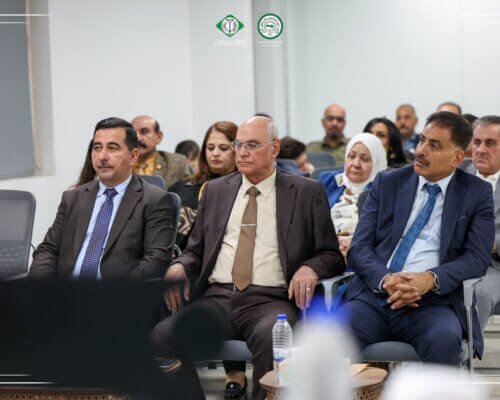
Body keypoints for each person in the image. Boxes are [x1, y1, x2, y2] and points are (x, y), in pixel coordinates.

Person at [152, 116, 345, 400]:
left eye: (252, 145)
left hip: (271, 300)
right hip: (218, 299)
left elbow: (330, 254)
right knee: (163, 337)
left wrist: (310, 267)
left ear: (274, 148)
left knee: (272, 338)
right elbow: (196, 249)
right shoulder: (217, 191)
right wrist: (180, 264)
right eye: (238, 145)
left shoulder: (305, 192)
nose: (241, 153)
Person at [341, 111, 495, 365]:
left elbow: (476, 258)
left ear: (457, 158)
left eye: (434, 145)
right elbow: (359, 248)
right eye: (422, 140)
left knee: (444, 340)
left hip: (432, 302)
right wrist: (387, 279)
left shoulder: (476, 193)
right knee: (334, 335)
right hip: (375, 296)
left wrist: (430, 279)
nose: (421, 150)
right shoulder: (388, 182)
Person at [29, 117, 176, 279]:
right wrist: (41, 287)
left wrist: (111, 290)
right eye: (97, 148)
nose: (102, 156)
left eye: (112, 148)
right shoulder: (73, 198)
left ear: (133, 156)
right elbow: (48, 249)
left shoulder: (155, 200)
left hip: (116, 290)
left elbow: (156, 261)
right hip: (66, 288)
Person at [319, 133, 387, 256]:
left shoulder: (384, 191)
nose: (356, 164)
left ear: (377, 163)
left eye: (365, 159)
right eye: (351, 156)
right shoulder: (329, 182)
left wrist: (354, 244)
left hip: (364, 254)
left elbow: (383, 237)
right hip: (326, 251)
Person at [468, 116, 500, 330]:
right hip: (452, 260)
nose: (480, 149)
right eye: (477, 142)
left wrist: (493, 243)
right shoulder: (456, 174)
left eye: (490, 143)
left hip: (494, 265)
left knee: (477, 293)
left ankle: (467, 348)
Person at [131, 115, 190, 187]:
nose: (138, 138)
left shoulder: (177, 163)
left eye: (144, 132)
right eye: (133, 133)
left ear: (158, 137)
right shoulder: (122, 163)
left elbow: (188, 192)